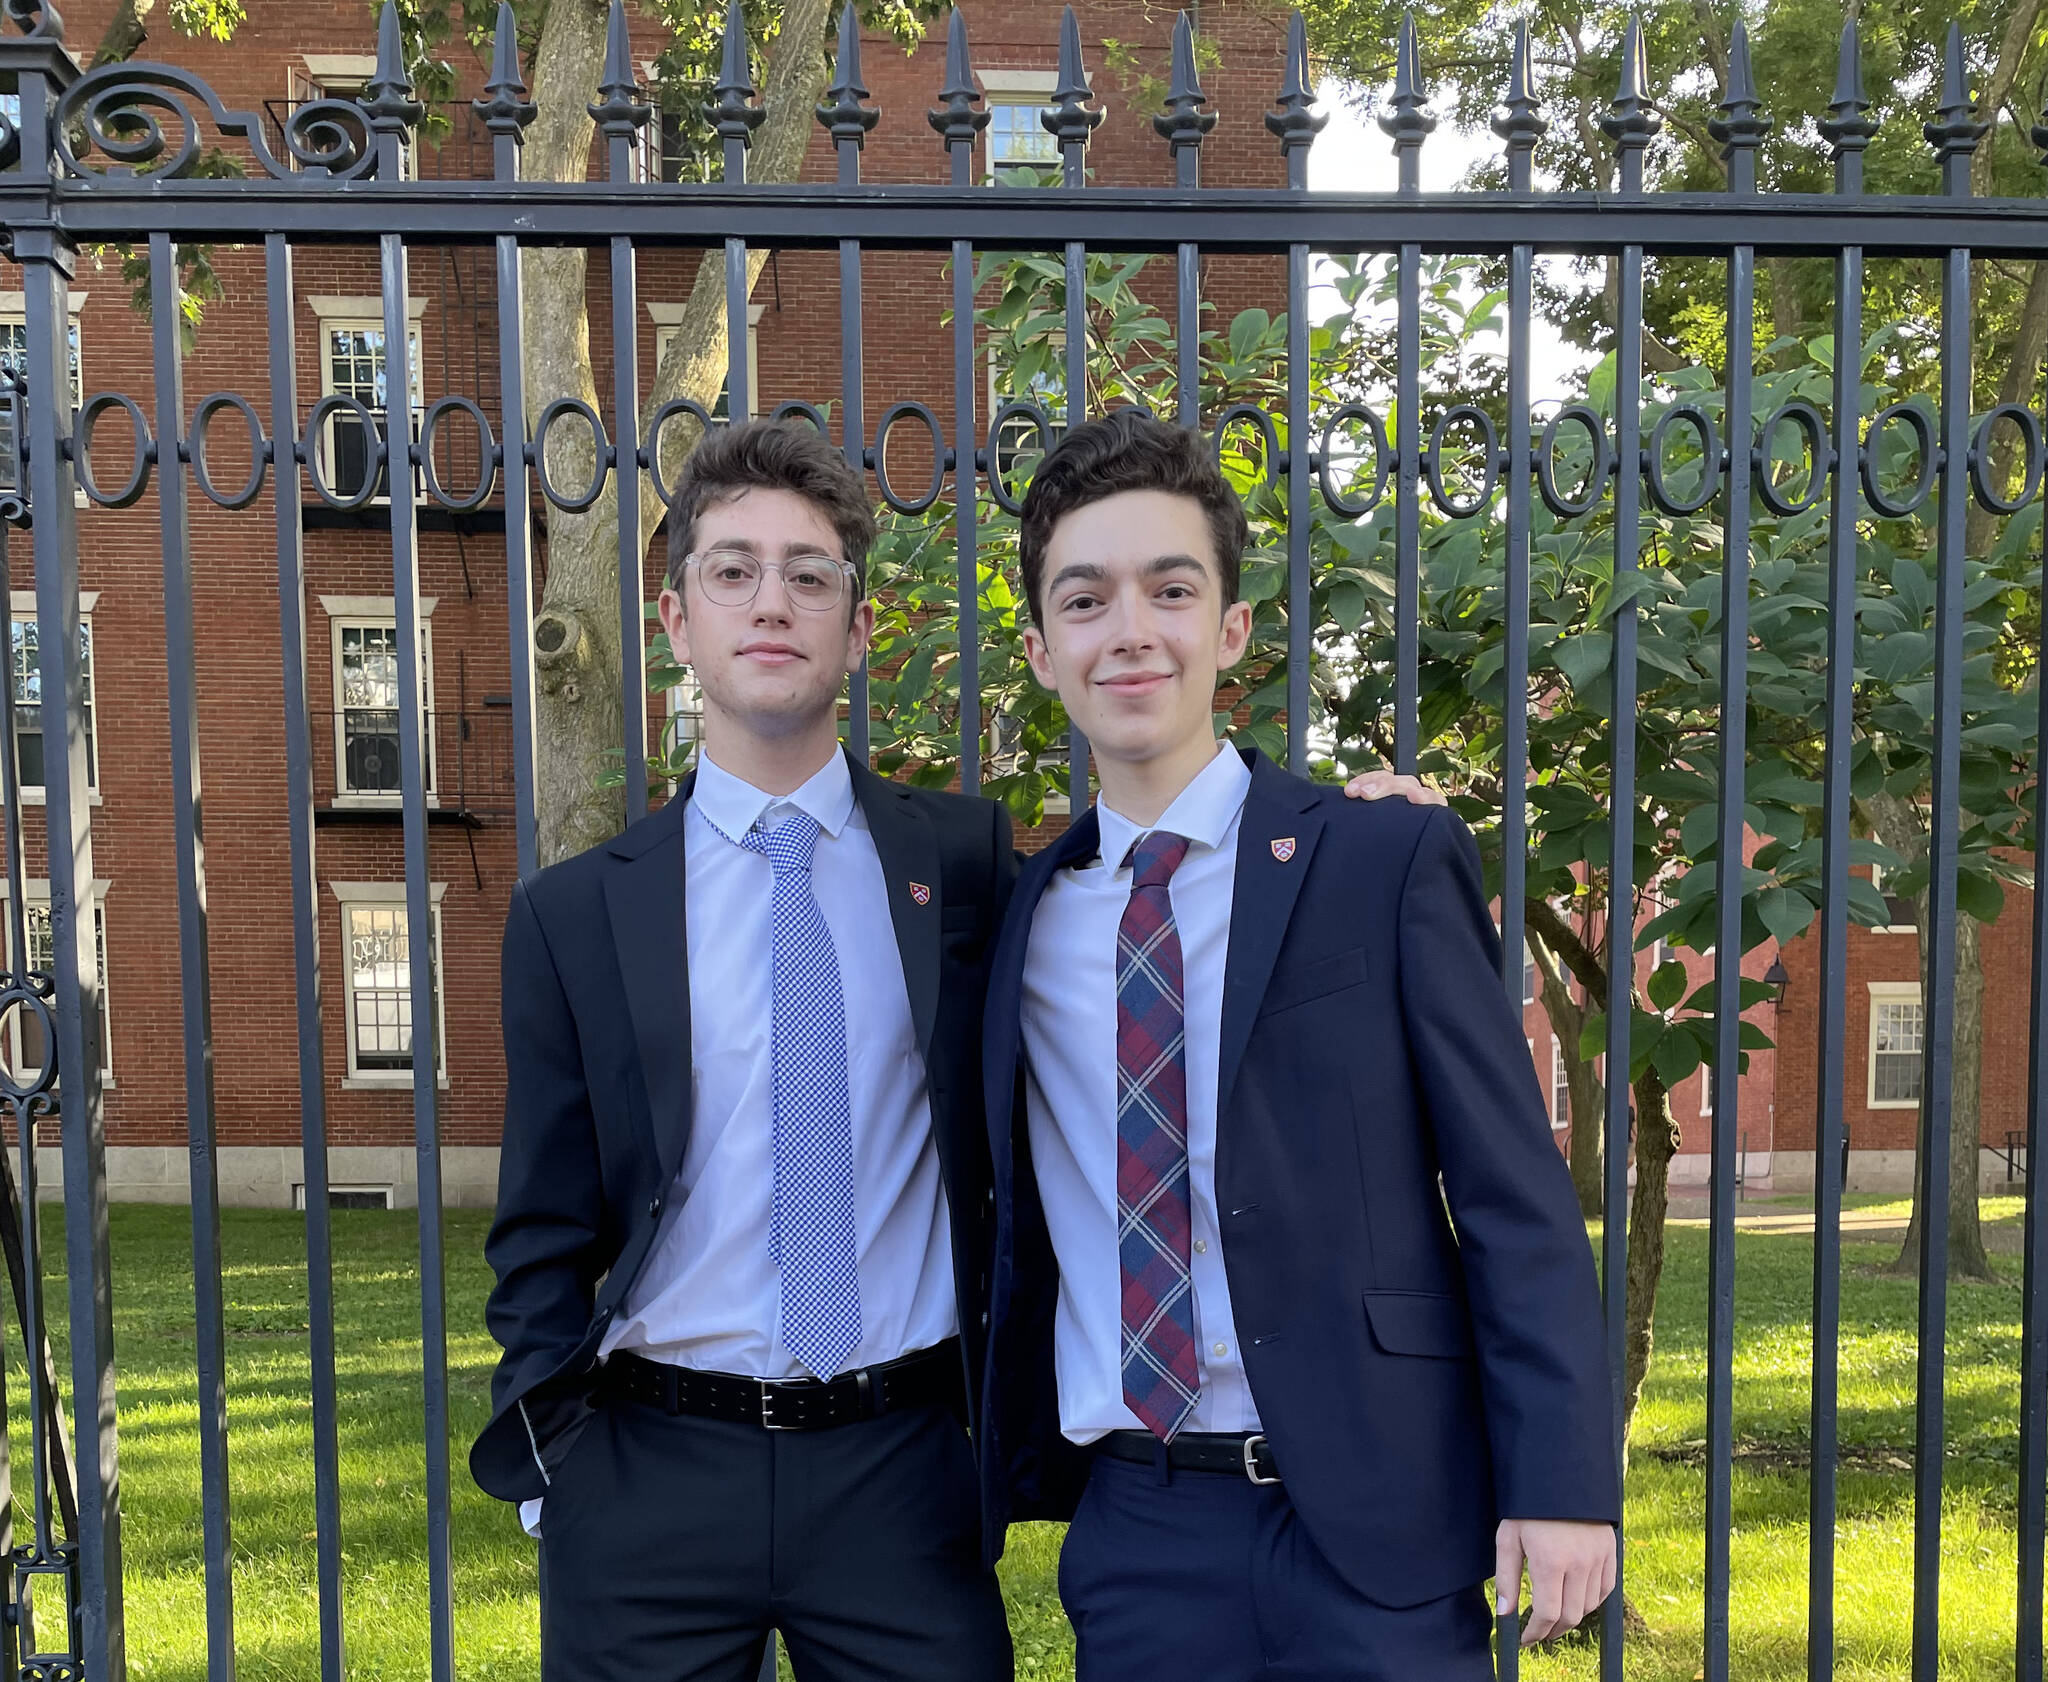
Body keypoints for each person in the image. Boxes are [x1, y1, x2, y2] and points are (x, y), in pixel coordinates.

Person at [469, 417, 1441, 1681]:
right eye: (733, 570)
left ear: (859, 628)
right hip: (650, 1470)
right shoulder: (573, 913)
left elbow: (1161, 874)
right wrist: (560, 1475)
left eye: (811, 574)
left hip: (900, 1466)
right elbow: (541, 1224)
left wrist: (1357, 816)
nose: (773, 602)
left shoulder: (970, 863)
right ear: (674, 620)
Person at [978, 408, 1619, 1682]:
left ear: (1229, 631)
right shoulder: (1015, 916)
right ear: (1043, 649)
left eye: (1170, 588)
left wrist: (1562, 1480)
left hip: (1376, 1513)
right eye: (1085, 598)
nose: (1130, 630)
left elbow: (1510, 1192)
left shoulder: (1376, 856)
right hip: (1139, 1517)